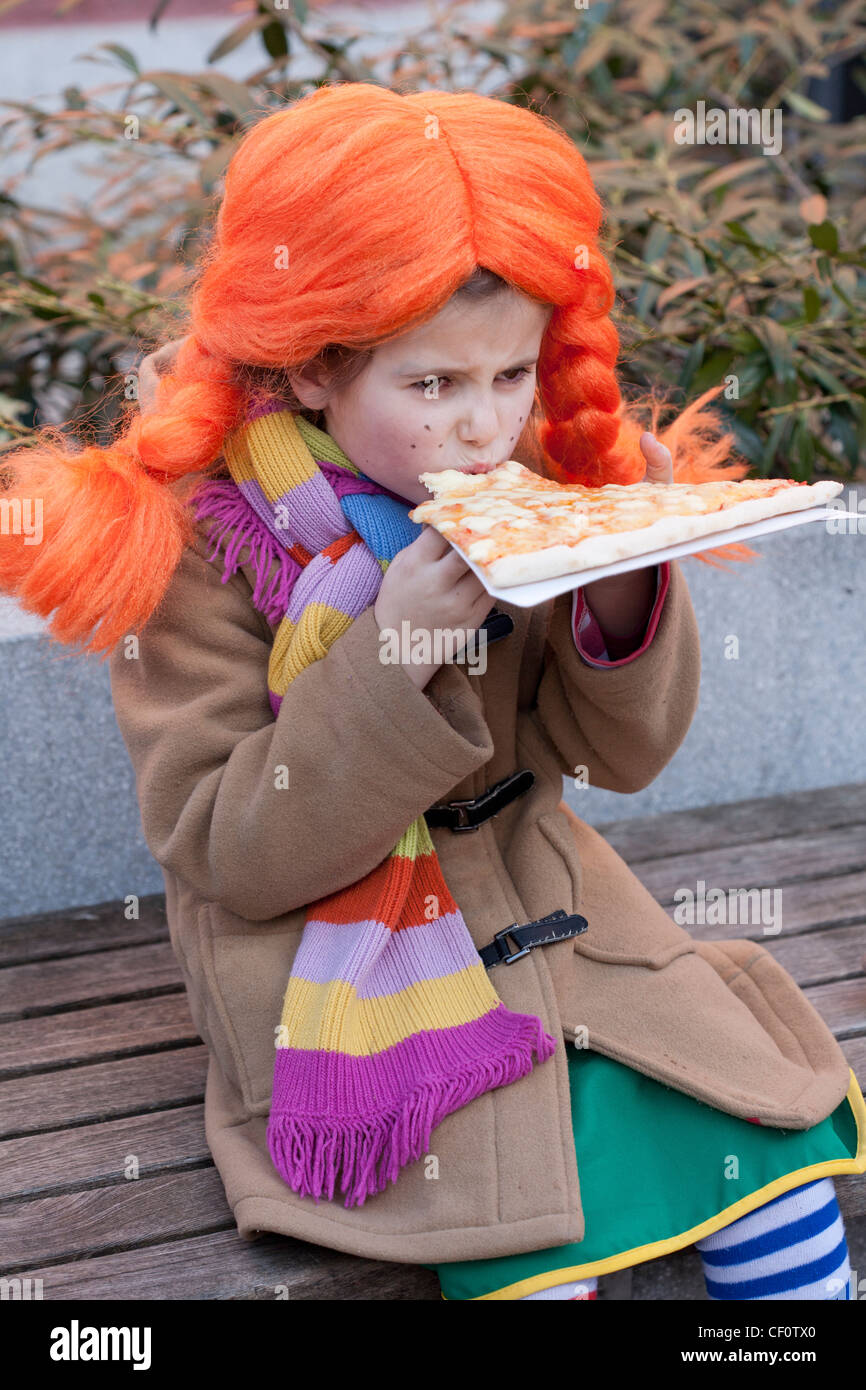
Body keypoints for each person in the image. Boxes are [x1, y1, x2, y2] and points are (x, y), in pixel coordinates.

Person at [1, 83, 862, 1301]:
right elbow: (227, 848)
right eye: (433, 387)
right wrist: (390, 657)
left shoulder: (520, 474)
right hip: (348, 992)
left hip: (564, 929)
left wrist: (621, 584)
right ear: (308, 370)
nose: (481, 428)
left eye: (510, 375)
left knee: (773, 1179)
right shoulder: (198, 548)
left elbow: (612, 757)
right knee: (529, 1244)